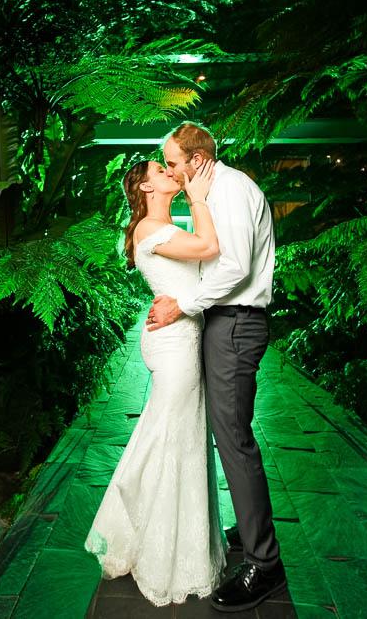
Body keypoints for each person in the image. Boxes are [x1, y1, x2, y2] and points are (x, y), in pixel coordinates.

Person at [147, 122, 286, 612]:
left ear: (198, 159)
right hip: (225, 322)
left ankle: (263, 563)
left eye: (174, 163)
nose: (170, 171)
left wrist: (182, 305)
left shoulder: (229, 189)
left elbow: (233, 268)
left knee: (233, 437)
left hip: (234, 323)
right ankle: (251, 526)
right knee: (229, 433)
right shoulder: (216, 190)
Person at [84, 156, 227, 606]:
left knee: (182, 437)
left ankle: (175, 539)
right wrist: (200, 196)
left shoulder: (165, 227)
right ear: (146, 189)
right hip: (176, 345)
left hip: (179, 338)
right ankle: (163, 549)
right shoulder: (150, 230)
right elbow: (210, 249)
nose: (169, 172)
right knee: (175, 439)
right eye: (159, 171)